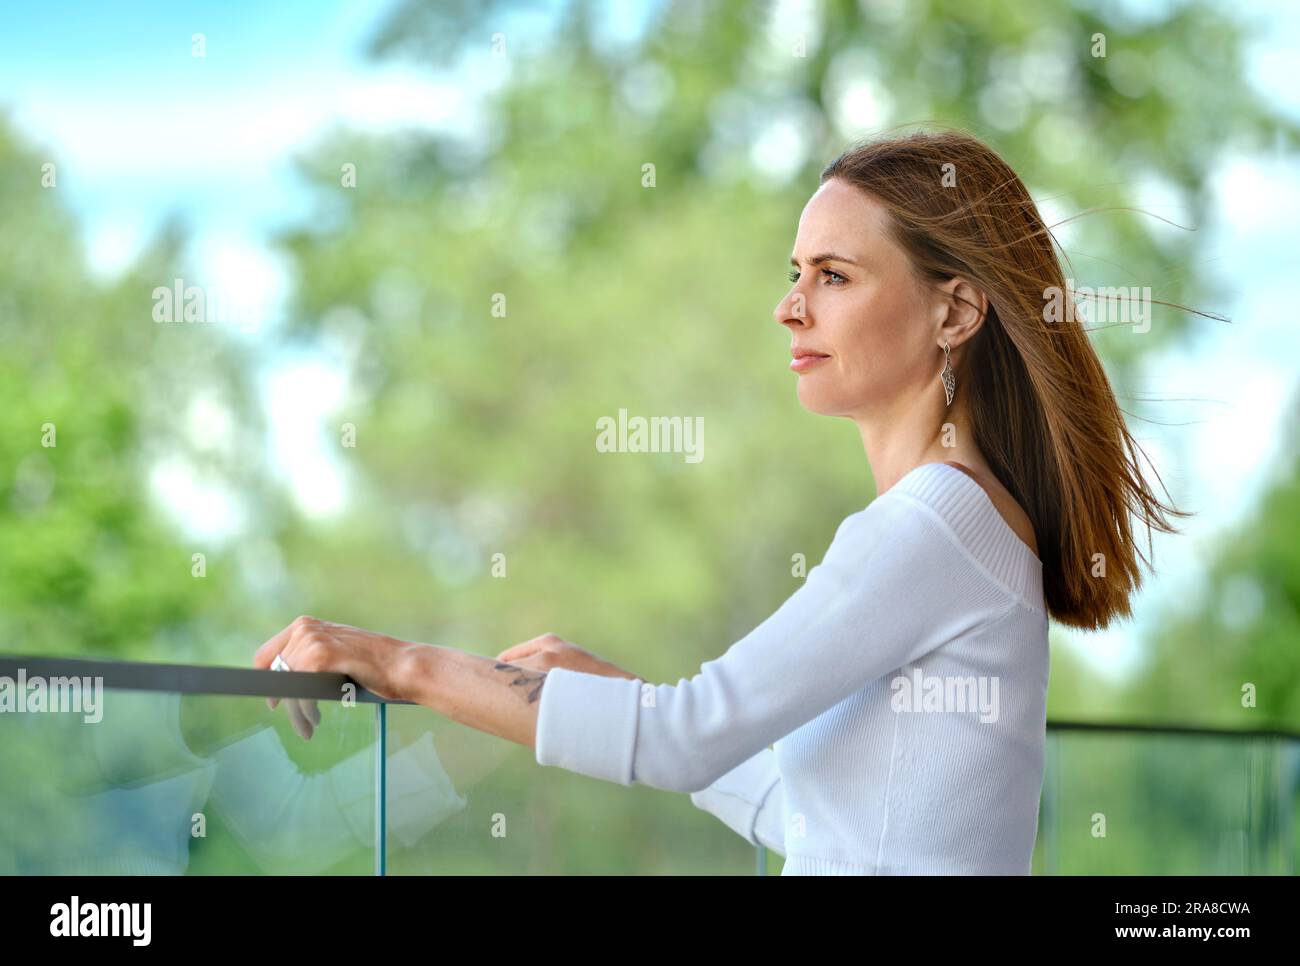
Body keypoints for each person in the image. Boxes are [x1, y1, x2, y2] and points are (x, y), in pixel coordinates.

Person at [254, 129, 1189, 874]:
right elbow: (828, 829)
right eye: (796, 274)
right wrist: (622, 694)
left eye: (835, 276)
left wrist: (394, 660)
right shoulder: (968, 526)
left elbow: (681, 740)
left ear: (954, 312)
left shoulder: (931, 526)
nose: (791, 308)